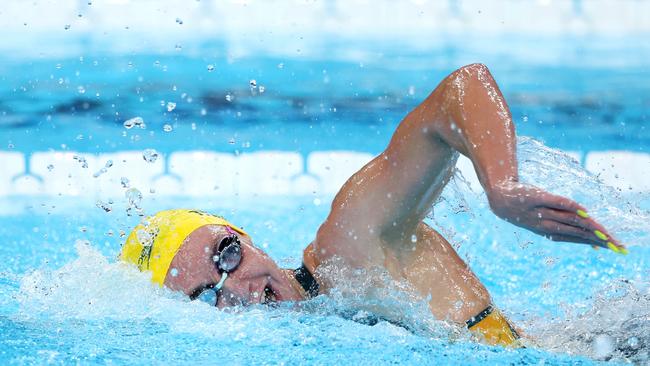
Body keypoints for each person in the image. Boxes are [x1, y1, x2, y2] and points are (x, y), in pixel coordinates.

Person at [119, 63, 627, 348]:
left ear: (243, 236)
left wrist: (503, 186)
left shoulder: (350, 249)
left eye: (226, 256)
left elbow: (461, 90)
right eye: (209, 296)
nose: (240, 289)